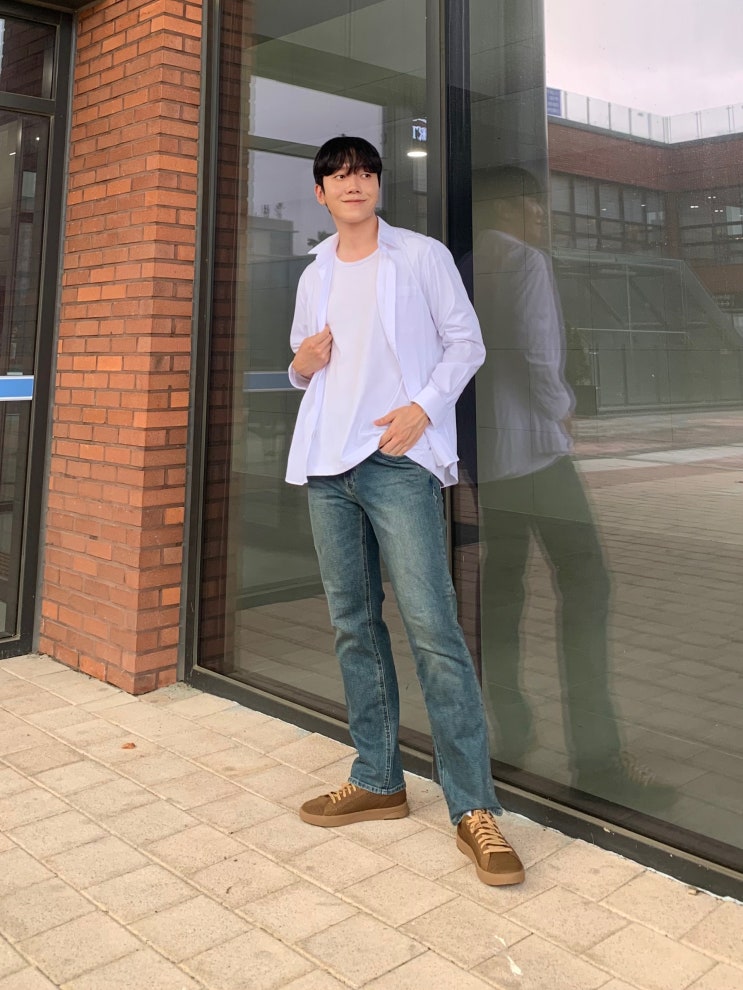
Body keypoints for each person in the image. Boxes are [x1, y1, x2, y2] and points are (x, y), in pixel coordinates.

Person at [284, 136, 524, 886]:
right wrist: (300, 365)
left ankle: (472, 808)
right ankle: (378, 778)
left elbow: (466, 344)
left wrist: (422, 408)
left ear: (379, 185)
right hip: (328, 466)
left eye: (364, 173)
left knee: (433, 630)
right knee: (352, 624)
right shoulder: (315, 271)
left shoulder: (419, 257)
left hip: (395, 461)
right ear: (320, 193)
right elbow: (301, 361)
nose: (353, 184)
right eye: (338, 175)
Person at [473, 165, 674, 811]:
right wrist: (561, 409)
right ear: (505, 206)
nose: (541, 215)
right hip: (536, 454)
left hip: (488, 458)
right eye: (532, 204)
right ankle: (598, 759)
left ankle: (509, 731)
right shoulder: (523, 262)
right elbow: (537, 355)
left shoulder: (464, 264)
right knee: (587, 588)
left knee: (501, 591)